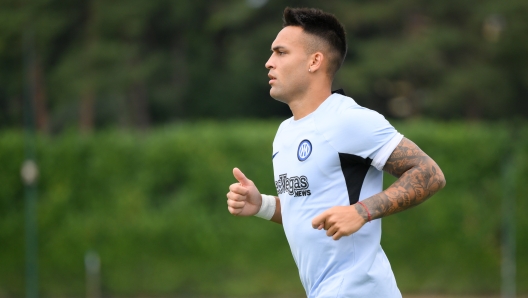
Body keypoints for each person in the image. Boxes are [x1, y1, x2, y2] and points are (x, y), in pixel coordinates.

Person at [226, 7, 446, 298]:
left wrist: (362, 211)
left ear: (314, 61)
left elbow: (430, 174)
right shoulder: (284, 133)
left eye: (281, 53)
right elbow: (313, 211)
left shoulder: (348, 120)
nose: (268, 63)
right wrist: (263, 205)